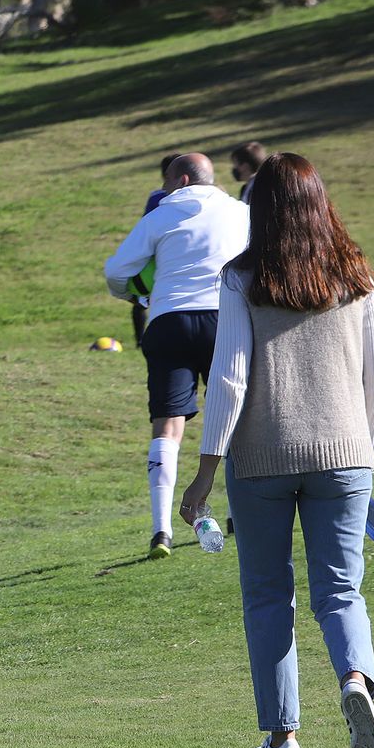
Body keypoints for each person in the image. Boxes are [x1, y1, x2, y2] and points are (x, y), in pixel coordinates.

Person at [179, 153, 374, 748]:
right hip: (347, 457)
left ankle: (282, 740)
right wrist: (363, 453)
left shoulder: (243, 277)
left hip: (262, 460)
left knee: (269, 596)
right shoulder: (357, 275)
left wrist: (206, 470)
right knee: (341, 589)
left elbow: (230, 378)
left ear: (260, 209)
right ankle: (355, 679)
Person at [104, 153, 249, 559]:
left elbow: (116, 271)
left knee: (166, 426)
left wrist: (138, 293)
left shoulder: (159, 216)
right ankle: (239, 514)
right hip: (227, 318)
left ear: (181, 179)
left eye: (168, 181)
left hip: (169, 320)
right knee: (235, 414)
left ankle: (161, 530)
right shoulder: (242, 212)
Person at [129, 154, 184, 348]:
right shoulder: (210, 196)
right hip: (175, 256)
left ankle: (141, 340)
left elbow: (146, 226)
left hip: (159, 257)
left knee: (143, 297)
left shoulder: (157, 197)